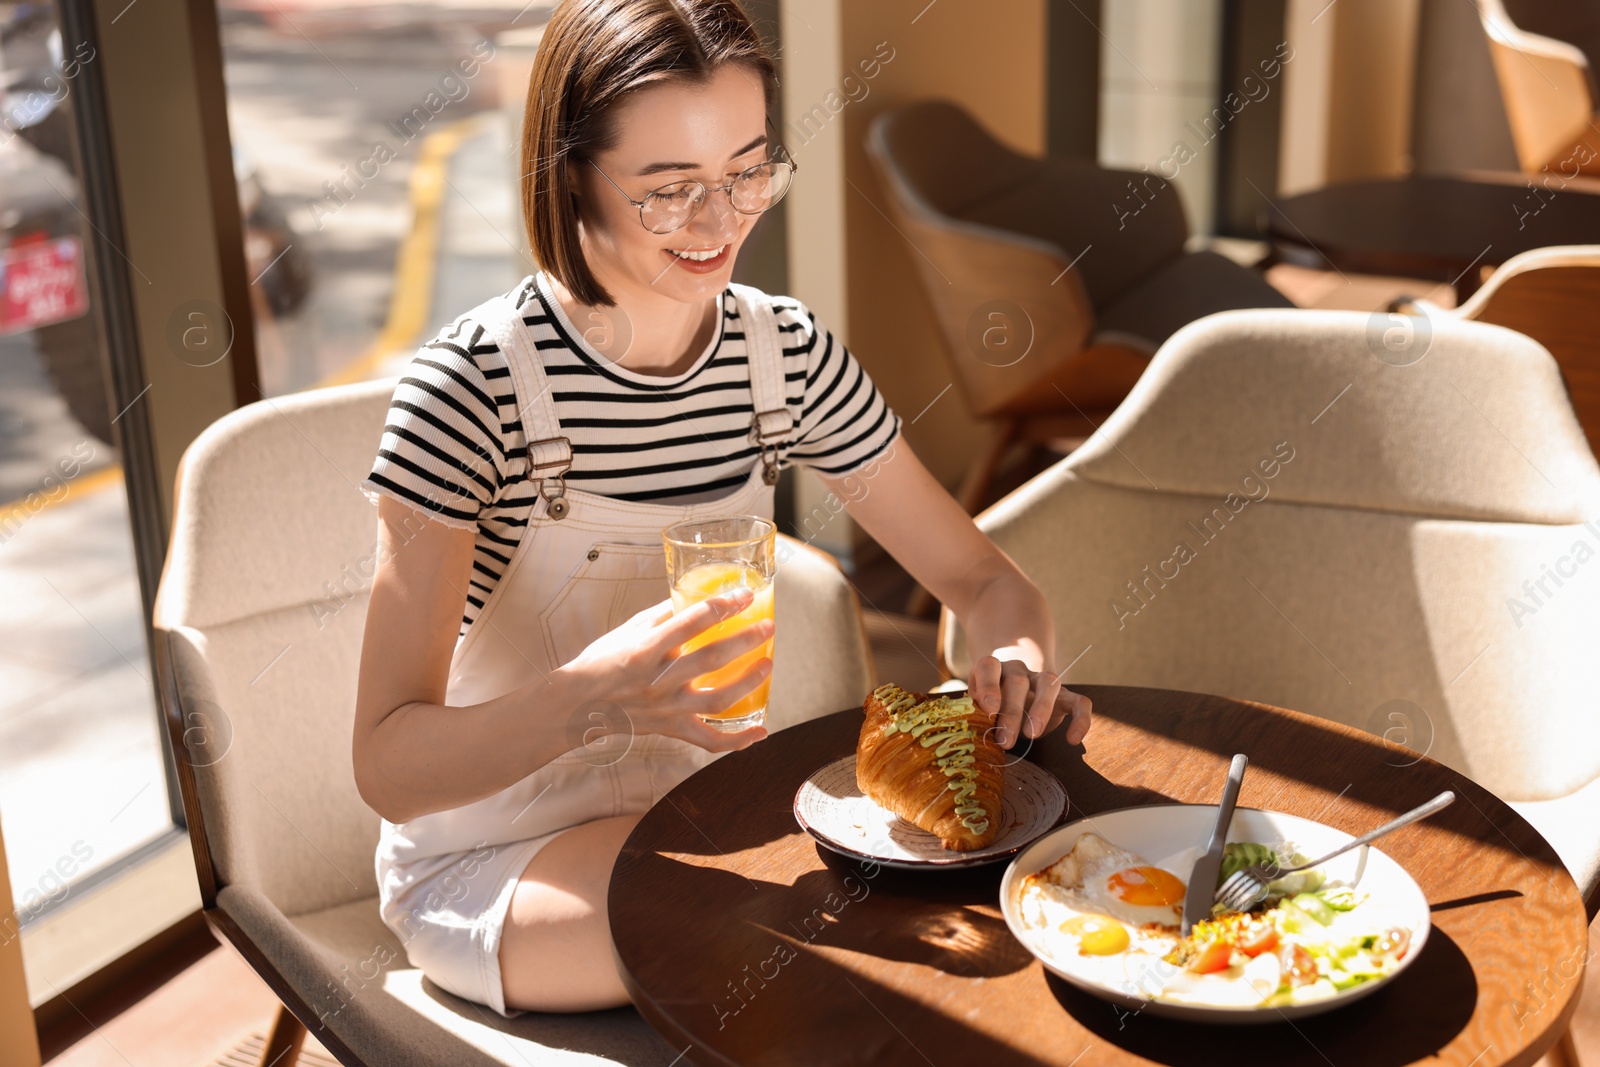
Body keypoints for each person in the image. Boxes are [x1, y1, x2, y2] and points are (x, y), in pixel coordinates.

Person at [351, 0, 1092, 1019]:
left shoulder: (779, 358)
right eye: (668, 192)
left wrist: (1014, 667)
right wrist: (590, 692)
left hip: (710, 824)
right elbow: (387, 763)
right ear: (568, 174)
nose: (720, 223)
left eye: (749, 172)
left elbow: (981, 580)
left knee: (949, 911)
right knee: (802, 962)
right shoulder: (469, 392)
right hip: (497, 865)